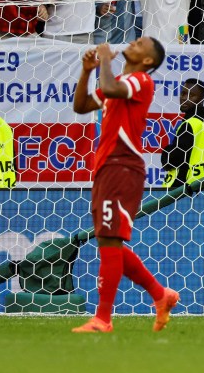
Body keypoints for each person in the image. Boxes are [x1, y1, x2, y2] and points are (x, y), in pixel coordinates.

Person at [71, 38, 179, 334]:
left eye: (142, 42)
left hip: (123, 164)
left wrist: (105, 59)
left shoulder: (140, 81)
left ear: (148, 60)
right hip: (107, 165)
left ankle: (103, 319)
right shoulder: (118, 79)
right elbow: (81, 106)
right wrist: (86, 70)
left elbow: (110, 90)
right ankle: (160, 294)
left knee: (109, 240)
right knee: (109, 239)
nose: (134, 41)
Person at [160, 79, 204, 189]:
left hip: (188, 190)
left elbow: (172, 161)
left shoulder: (191, 124)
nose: (184, 98)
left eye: (191, 95)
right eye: (183, 93)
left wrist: (167, 151)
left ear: (201, 99)